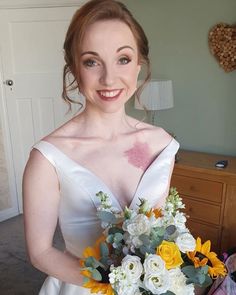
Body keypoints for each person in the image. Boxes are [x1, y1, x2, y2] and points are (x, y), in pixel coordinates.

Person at [23, 0, 179, 294]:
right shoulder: (47, 158)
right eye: (92, 61)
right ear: (74, 69)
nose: (109, 79)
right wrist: (114, 283)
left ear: (138, 65)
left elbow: (160, 231)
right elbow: (40, 253)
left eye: (122, 59)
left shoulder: (162, 144)